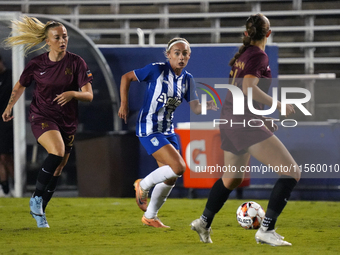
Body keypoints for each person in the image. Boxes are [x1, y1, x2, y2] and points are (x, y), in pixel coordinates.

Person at [191, 13, 300, 246]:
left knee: (232, 179)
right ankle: (266, 230)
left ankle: (203, 222)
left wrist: (262, 117)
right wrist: (278, 106)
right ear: (268, 33)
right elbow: (249, 89)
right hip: (243, 124)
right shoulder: (259, 56)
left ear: (246, 33)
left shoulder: (246, 55)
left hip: (231, 121)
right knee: (292, 172)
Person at [2, 16, 93, 228]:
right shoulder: (37, 64)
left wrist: (73, 93)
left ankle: (41, 211)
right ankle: (35, 198)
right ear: (47, 41)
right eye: (57, 37)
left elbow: (88, 95)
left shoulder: (76, 62)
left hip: (67, 121)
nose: (62, 40)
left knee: (59, 168)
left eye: (65, 36)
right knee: (57, 150)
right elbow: (19, 86)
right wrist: (9, 107)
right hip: (42, 116)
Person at [118, 37, 218, 228]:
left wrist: (208, 105)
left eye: (185, 53)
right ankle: (143, 185)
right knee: (179, 167)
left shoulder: (187, 79)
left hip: (167, 130)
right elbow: (126, 77)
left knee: (171, 176)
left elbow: (195, 108)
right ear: (168, 55)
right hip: (149, 128)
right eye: (177, 53)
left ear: (189, 56)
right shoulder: (157, 70)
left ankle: (150, 216)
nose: (181, 57)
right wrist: (124, 104)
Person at [0, 54, 14, 196]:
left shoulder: (11, 76)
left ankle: (17, 184)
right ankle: (4, 188)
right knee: (1, 157)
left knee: (6, 156)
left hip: (8, 123)